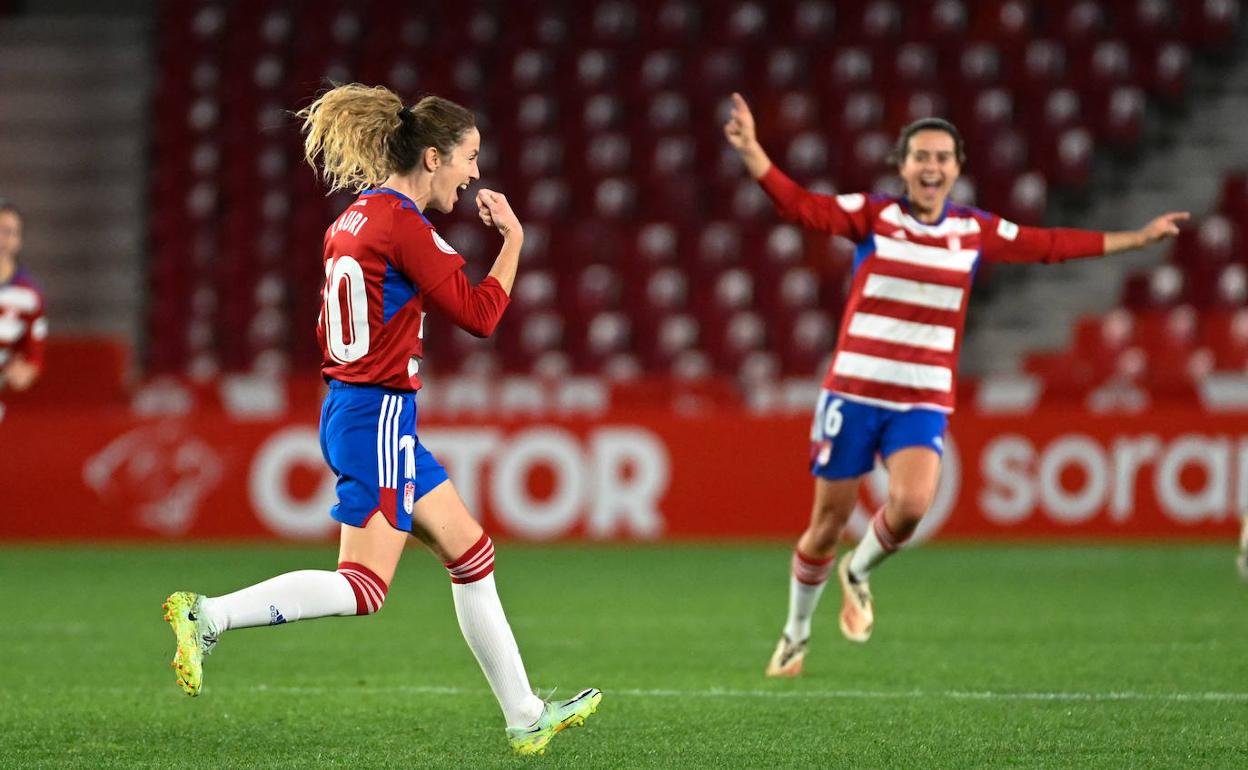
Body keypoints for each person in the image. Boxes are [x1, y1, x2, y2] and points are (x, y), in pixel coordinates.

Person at [162, 85, 600, 755]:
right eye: (469, 156)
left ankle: (524, 714)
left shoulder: (354, 218)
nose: (474, 172)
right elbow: (482, 315)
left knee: (471, 553)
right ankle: (211, 615)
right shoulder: (403, 226)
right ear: (432, 156)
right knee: (363, 587)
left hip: (354, 406)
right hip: (379, 415)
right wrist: (514, 239)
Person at [723, 92, 1189, 677]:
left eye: (943, 157)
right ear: (903, 166)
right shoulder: (874, 216)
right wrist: (754, 151)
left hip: (920, 399)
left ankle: (859, 571)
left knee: (913, 506)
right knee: (825, 527)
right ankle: (794, 633)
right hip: (853, 393)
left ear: (957, 169)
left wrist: (1136, 239)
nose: (931, 167)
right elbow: (801, 207)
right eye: (921, 156)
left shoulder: (973, 231)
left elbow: (1049, 246)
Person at [0, 199, 47, 421]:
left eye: (9, 232)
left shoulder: (29, 295)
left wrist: (24, 373)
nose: (2, 239)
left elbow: (33, 355)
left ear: (18, 240)